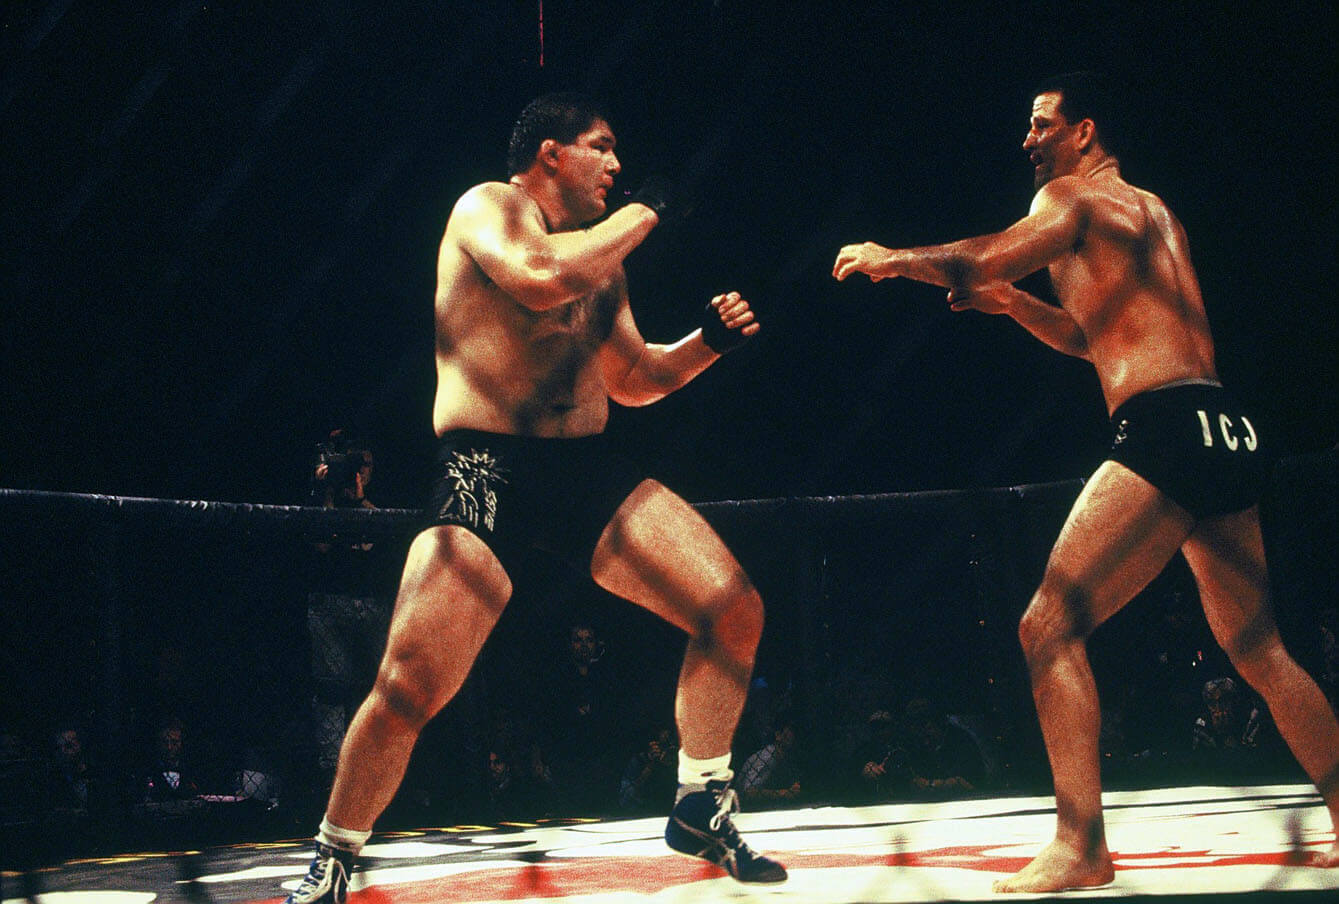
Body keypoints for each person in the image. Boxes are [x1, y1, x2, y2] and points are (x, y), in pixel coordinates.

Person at [834, 71, 1339, 892]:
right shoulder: (1153, 211)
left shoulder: (1069, 198)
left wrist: (893, 260)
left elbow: (978, 257)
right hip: (1221, 425)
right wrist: (1014, 307)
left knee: (1047, 627)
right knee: (1258, 648)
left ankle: (1081, 845)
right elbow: (1091, 336)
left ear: (1084, 132)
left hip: (1162, 432)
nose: (1027, 140)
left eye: (1041, 124)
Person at [284, 92, 784, 903]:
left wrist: (709, 344)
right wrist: (650, 210)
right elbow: (541, 279)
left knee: (731, 608)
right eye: (601, 147)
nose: (616, 166)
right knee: (410, 682)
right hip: (485, 469)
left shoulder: (601, 257)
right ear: (552, 153)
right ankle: (333, 855)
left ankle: (702, 800)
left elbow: (633, 378)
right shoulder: (488, 207)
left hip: (582, 472)